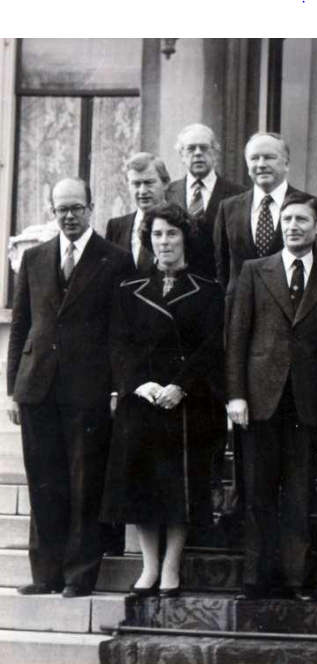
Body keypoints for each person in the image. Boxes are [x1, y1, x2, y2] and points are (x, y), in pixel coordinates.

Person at [7, 177, 132, 597]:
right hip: (37, 386)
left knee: (84, 482)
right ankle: (45, 574)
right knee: (44, 481)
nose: (69, 215)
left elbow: (121, 331)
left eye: (76, 207)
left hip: (89, 389)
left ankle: (79, 576)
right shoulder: (36, 258)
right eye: (61, 209)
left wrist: (117, 389)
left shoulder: (114, 259)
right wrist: (11, 388)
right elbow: (21, 326)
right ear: (52, 211)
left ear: (91, 207)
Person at [226, 195, 317, 600]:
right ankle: (256, 576)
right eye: (288, 219)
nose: (293, 226)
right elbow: (238, 336)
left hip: (307, 400)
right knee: (258, 490)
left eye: (303, 220)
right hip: (260, 397)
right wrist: (236, 395)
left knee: (300, 491)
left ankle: (298, 577)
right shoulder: (255, 271)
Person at [101, 203, 224, 598]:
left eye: (172, 233)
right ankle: (149, 566)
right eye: (157, 234)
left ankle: (172, 565)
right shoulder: (129, 289)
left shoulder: (209, 289)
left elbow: (210, 346)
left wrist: (180, 386)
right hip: (143, 400)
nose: (165, 241)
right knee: (142, 485)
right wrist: (139, 384)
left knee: (179, 487)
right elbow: (118, 344)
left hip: (187, 402)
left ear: (185, 237)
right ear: (147, 240)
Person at [214, 132, 317, 306]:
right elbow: (222, 266)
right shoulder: (228, 208)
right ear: (247, 165)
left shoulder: (312, 205)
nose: (261, 164)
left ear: (287, 163)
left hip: (293, 307)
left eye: (269, 157)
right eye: (254, 158)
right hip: (242, 309)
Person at [166, 123, 246, 279]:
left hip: (219, 286)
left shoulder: (239, 195)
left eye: (204, 148)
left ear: (215, 154)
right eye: (191, 149)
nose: (197, 154)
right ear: (181, 155)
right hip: (179, 283)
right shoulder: (168, 193)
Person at [106, 152, 170, 274]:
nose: (142, 191)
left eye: (149, 183)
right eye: (136, 184)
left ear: (165, 183)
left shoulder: (184, 223)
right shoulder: (115, 227)